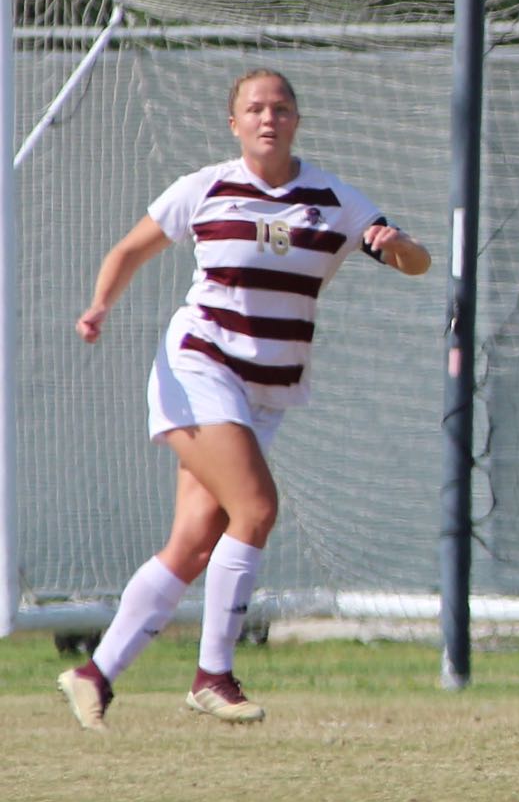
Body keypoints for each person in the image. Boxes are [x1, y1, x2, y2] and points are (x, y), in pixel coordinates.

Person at [57, 69, 431, 730]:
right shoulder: (205, 188)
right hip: (199, 363)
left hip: (268, 390)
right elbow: (130, 249)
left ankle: (94, 673)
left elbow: (414, 260)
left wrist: (398, 247)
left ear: (296, 121)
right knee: (255, 509)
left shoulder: (330, 199)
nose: (268, 118)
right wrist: (98, 307)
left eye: (281, 108)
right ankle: (212, 675)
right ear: (234, 125)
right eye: (254, 109)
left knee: (195, 542)